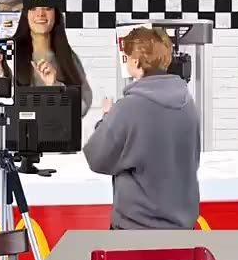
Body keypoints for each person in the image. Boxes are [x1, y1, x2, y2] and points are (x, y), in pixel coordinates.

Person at [83, 26, 200, 230]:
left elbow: (97, 157)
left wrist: (106, 119)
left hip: (136, 231)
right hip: (183, 230)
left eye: (126, 57)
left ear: (135, 61)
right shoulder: (187, 103)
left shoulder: (128, 108)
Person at [13, 0, 92, 116]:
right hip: (20, 134)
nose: (40, 14)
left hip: (58, 134)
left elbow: (83, 104)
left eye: (47, 8)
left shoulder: (68, 58)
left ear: (56, 14)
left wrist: (55, 86)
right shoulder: (9, 53)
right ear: (25, 15)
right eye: (33, 8)